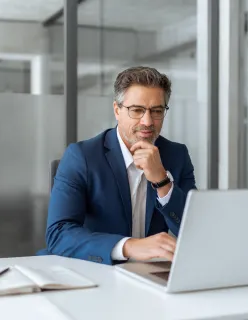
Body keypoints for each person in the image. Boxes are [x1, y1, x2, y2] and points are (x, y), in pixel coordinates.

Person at [44, 66, 196, 265]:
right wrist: (129, 246)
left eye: (157, 111)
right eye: (137, 110)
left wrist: (162, 181)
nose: (148, 121)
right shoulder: (81, 157)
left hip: (151, 273)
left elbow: (194, 232)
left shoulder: (176, 155)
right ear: (117, 110)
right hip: (96, 270)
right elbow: (58, 234)